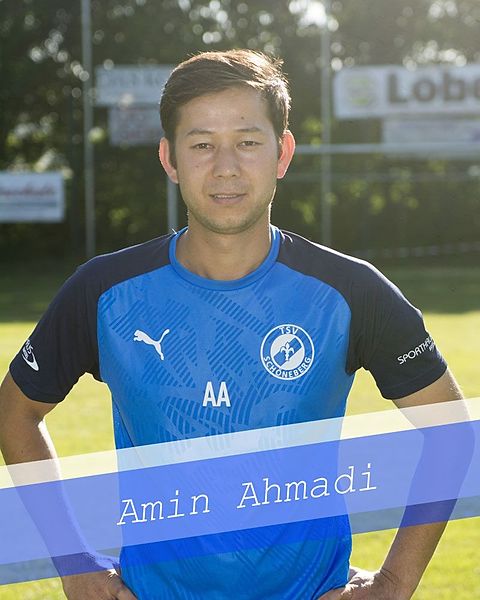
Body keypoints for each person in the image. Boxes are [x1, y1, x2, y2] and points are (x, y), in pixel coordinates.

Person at [0, 49, 465, 600]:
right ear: (169, 158)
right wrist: (73, 562)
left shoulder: (350, 290)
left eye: (247, 142)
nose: (226, 167)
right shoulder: (104, 291)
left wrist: (393, 584)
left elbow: (452, 431)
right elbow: (15, 412)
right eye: (201, 145)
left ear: (282, 153)